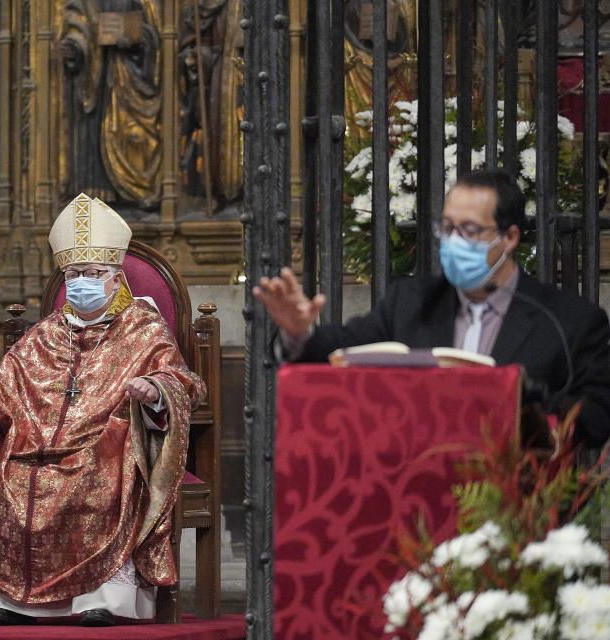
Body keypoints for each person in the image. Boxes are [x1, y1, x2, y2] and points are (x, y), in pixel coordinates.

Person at [0, 193, 206, 626]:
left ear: (116, 279)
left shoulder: (144, 327)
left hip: (104, 446)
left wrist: (154, 390)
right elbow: (6, 383)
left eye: (93, 273)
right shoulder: (46, 333)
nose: (82, 281)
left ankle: (102, 599)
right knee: (11, 474)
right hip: (37, 447)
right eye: (74, 273)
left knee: (95, 472)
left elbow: (185, 384)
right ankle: (13, 603)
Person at [253, 168, 610, 449]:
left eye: (470, 230)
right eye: (448, 227)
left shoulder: (569, 320)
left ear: (510, 237)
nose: (455, 242)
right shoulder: (410, 302)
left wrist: (515, 395)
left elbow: (595, 420)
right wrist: (298, 332)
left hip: (518, 507)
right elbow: (344, 350)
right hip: (414, 500)